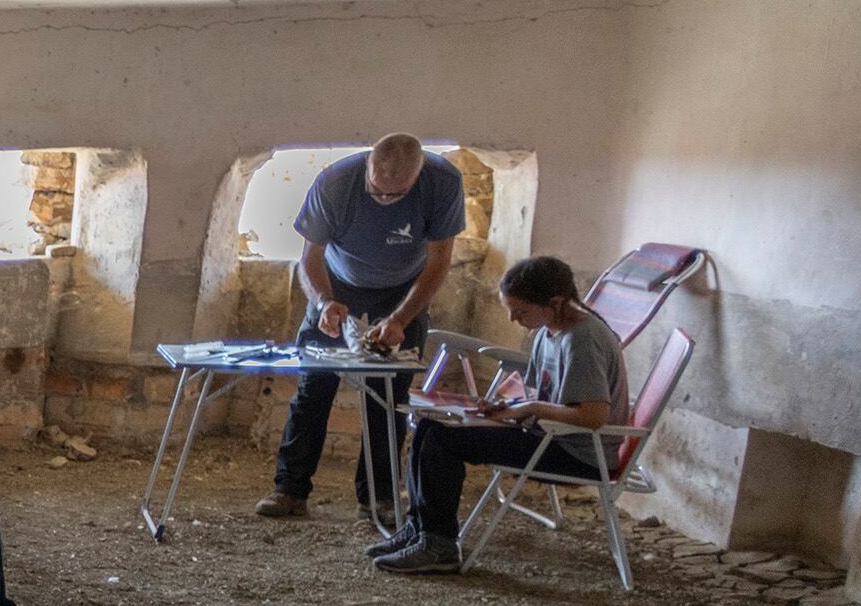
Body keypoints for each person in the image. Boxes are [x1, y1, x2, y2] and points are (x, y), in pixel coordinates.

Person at [372, 255, 631, 576]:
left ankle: (439, 547)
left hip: (576, 453)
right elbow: (537, 394)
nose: (512, 319)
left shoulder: (582, 338)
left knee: (441, 439)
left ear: (555, 302)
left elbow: (592, 416)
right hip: (547, 436)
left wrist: (528, 409)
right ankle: (420, 528)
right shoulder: (549, 331)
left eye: (520, 311)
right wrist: (499, 406)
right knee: (429, 423)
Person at [254, 134, 467, 520]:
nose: (385, 199)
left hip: (405, 288)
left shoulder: (443, 183)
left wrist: (400, 320)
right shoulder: (335, 183)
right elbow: (310, 258)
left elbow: (438, 264)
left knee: (388, 395)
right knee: (314, 385)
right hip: (338, 283)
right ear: (368, 166)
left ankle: (379, 498)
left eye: (396, 195)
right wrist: (324, 302)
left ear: (417, 178)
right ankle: (290, 489)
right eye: (377, 191)